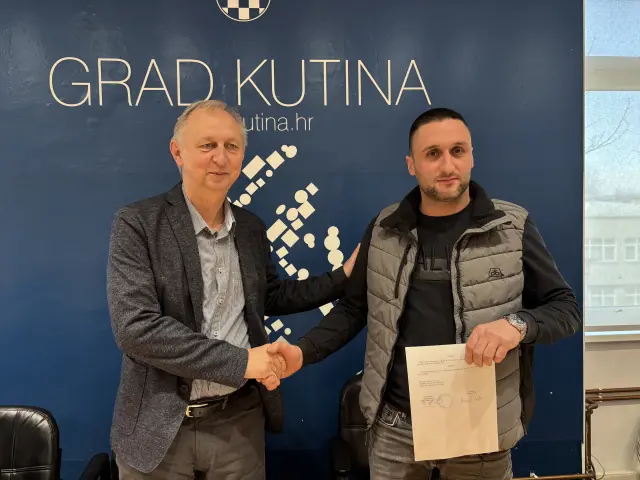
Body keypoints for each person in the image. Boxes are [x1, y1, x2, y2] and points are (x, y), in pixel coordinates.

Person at [268, 107, 581, 479]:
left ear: (472, 157)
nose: (447, 165)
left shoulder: (512, 226)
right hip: (396, 431)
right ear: (411, 164)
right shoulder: (384, 228)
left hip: (479, 429)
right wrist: (303, 351)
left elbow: (566, 309)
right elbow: (354, 309)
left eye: (457, 151)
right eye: (433, 153)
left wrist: (516, 325)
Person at [106, 99, 358, 479]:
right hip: (158, 427)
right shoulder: (138, 223)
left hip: (238, 422)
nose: (220, 158)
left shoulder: (251, 228)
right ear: (178, 152)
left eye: (231, 146)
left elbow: (271, 296)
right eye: (207, 145)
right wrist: (242, 362)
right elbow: (136, 329)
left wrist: (343, 277)